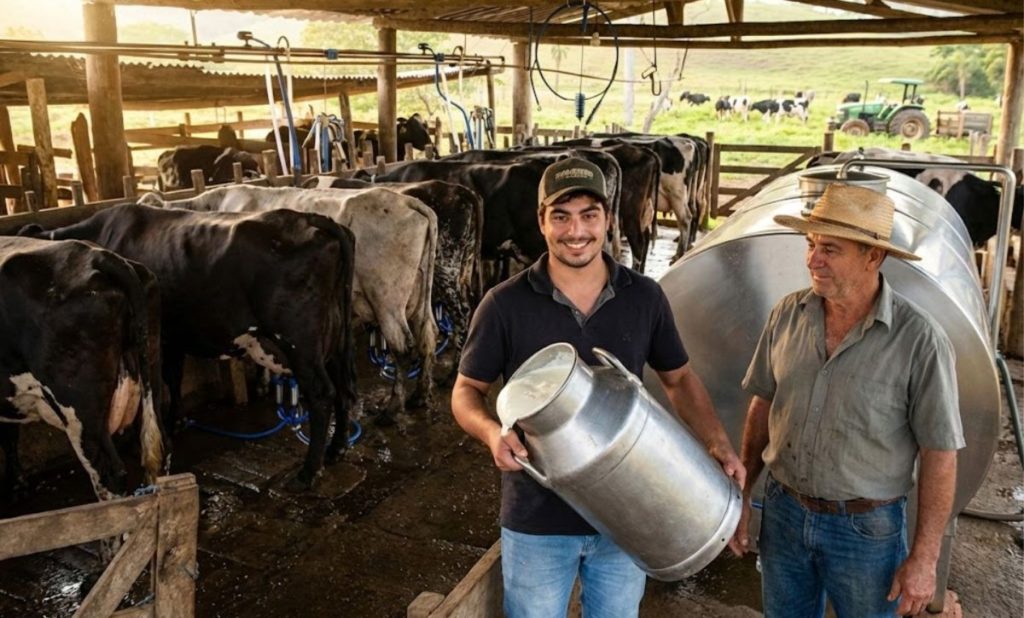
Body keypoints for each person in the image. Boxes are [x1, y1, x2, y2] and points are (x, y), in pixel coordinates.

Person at [451, 157, 744, 618]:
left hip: (628, 514)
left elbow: (679, 378)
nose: (576, 231)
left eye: (589, 215)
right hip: (537, 516)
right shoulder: (504, 304)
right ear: (541, 221)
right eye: (561, 217)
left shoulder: (643, 296)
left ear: (608, 219)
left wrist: (718, 442)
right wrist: (491, 433)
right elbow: (466, 390)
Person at [728, 183, 964, 617]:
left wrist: (925, 560)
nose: (813, 259)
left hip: (865, 529)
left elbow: (940, 454)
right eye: (811, 244)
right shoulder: (787, 314)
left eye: (830, 249)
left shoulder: (920, 340)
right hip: (783, 512)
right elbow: (763, 403)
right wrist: (742, 494)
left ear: (873, 256)